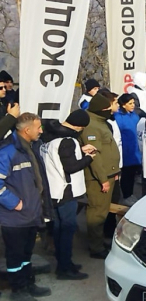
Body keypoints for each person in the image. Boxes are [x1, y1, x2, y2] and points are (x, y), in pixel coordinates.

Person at [0, 113, 53, 300]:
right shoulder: (8, 151)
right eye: (38, 128)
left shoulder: (28, 148)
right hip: (14, 217)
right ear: (27, 130)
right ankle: (18, 290)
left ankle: (28, 283)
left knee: (27, 253)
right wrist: (15, 203)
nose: (41, 131)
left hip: (30, 214)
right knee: (15, 255)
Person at [40, 110, 94, 281]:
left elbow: (59, 157)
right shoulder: (68, 141)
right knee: (67, 229)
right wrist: (88, 157)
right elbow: (70, 167)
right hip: (66, 191)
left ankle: (64, 262)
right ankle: (64, 268)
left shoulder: (49, 137)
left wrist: (79, 149)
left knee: (58, 229)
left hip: (52, 189)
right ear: (79, 126)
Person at [80, 93, 121, 259]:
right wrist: (103, 179)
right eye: (108, 108)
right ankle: (95, 248)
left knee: (103, 211)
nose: (111, 110)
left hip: (108, 173)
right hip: (99, 177)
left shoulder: (100, 122)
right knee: (97, 212)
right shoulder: (91, 126)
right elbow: (94, 156)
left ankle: (98, 242)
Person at [114, 94, 142, 206]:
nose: (133, 105)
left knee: (132, 175)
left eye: (133, 103)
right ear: (123, 105)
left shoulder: (135, 116)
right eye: (130, 103)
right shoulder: (118, 117)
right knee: (126, 175)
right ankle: (126, 195)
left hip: (135, 149)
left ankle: (130, 194)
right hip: (125, 150)